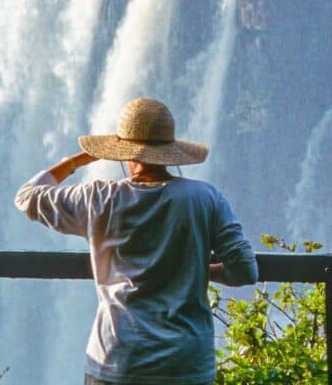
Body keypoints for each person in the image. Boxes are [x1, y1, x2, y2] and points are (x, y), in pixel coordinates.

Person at [15, 97, 257, 385]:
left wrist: (76, 161)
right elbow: (245, 270)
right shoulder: (205, 198)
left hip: (118, 360)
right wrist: (201, 271)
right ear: (171, 152)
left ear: (125, 154)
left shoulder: (98, 199)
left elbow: (27, 197)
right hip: (186, 363)